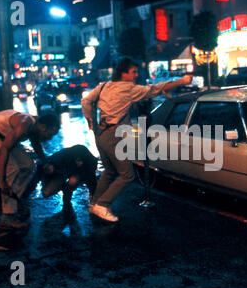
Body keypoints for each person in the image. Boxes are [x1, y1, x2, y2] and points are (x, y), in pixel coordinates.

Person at [81, 57, 193, 222]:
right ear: (123, 74)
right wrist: (181, 80)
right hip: (113, 136)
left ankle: (94, 204)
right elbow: (155, 88)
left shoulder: (104, 86)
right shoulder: (128, 88)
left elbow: (85, 101)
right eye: (133, 72)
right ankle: (102, 205)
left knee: (110, 171)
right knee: (127, 175)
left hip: (101, 135)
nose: (135, 75)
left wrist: (91, 122)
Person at [0, 109, 60, 229]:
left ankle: (13, 200)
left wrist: (45, 163)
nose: (50, 138)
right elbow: (4, 149)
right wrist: (1, 180)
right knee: (11, 168)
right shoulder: (25, 124)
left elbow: (36, 145)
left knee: (28, 165)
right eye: (51, 134)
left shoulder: (35, 126)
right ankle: (7, 217)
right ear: (43, 127)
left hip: (3, 137)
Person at [25, 144, 98, 208]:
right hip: (61, 172)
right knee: (46, 192)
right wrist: (26, 192)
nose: (80, 163)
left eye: (82, 161)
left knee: (73, 181)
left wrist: (94, 198)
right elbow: (40, 170)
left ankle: (67, 197)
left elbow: (92, 181)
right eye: (78, 160)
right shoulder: (60, 157)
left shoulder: (91, 162)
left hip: (75, 173)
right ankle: (64, 188)